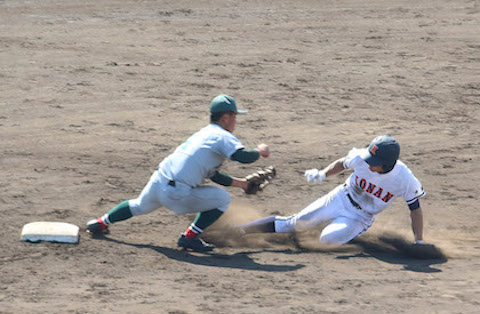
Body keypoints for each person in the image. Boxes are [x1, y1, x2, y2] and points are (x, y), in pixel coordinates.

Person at [86, 94, 270, 251]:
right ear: (225, 118)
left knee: (138, 206)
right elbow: (242, 156)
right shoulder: (222, 136)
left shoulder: (204, 134)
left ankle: (100, 223)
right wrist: (260, 151)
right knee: (222, 199)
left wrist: (243, 184)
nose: (235, 121)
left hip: (158, 181)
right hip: (176, 193)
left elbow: (213, 175)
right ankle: (189, 237)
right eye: (235, 116)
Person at [240, 135, 426, 246]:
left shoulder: (405, 179)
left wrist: (418, 241)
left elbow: (415, 209)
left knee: (327, 240)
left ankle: (337, 229)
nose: (367, 163)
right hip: (340, 197)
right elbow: (342, 163)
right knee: (293, 223)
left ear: (387, 164)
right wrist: (322, 174)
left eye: (374, 163)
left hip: (360, 218)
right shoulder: (362, 157)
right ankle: (240, 231)